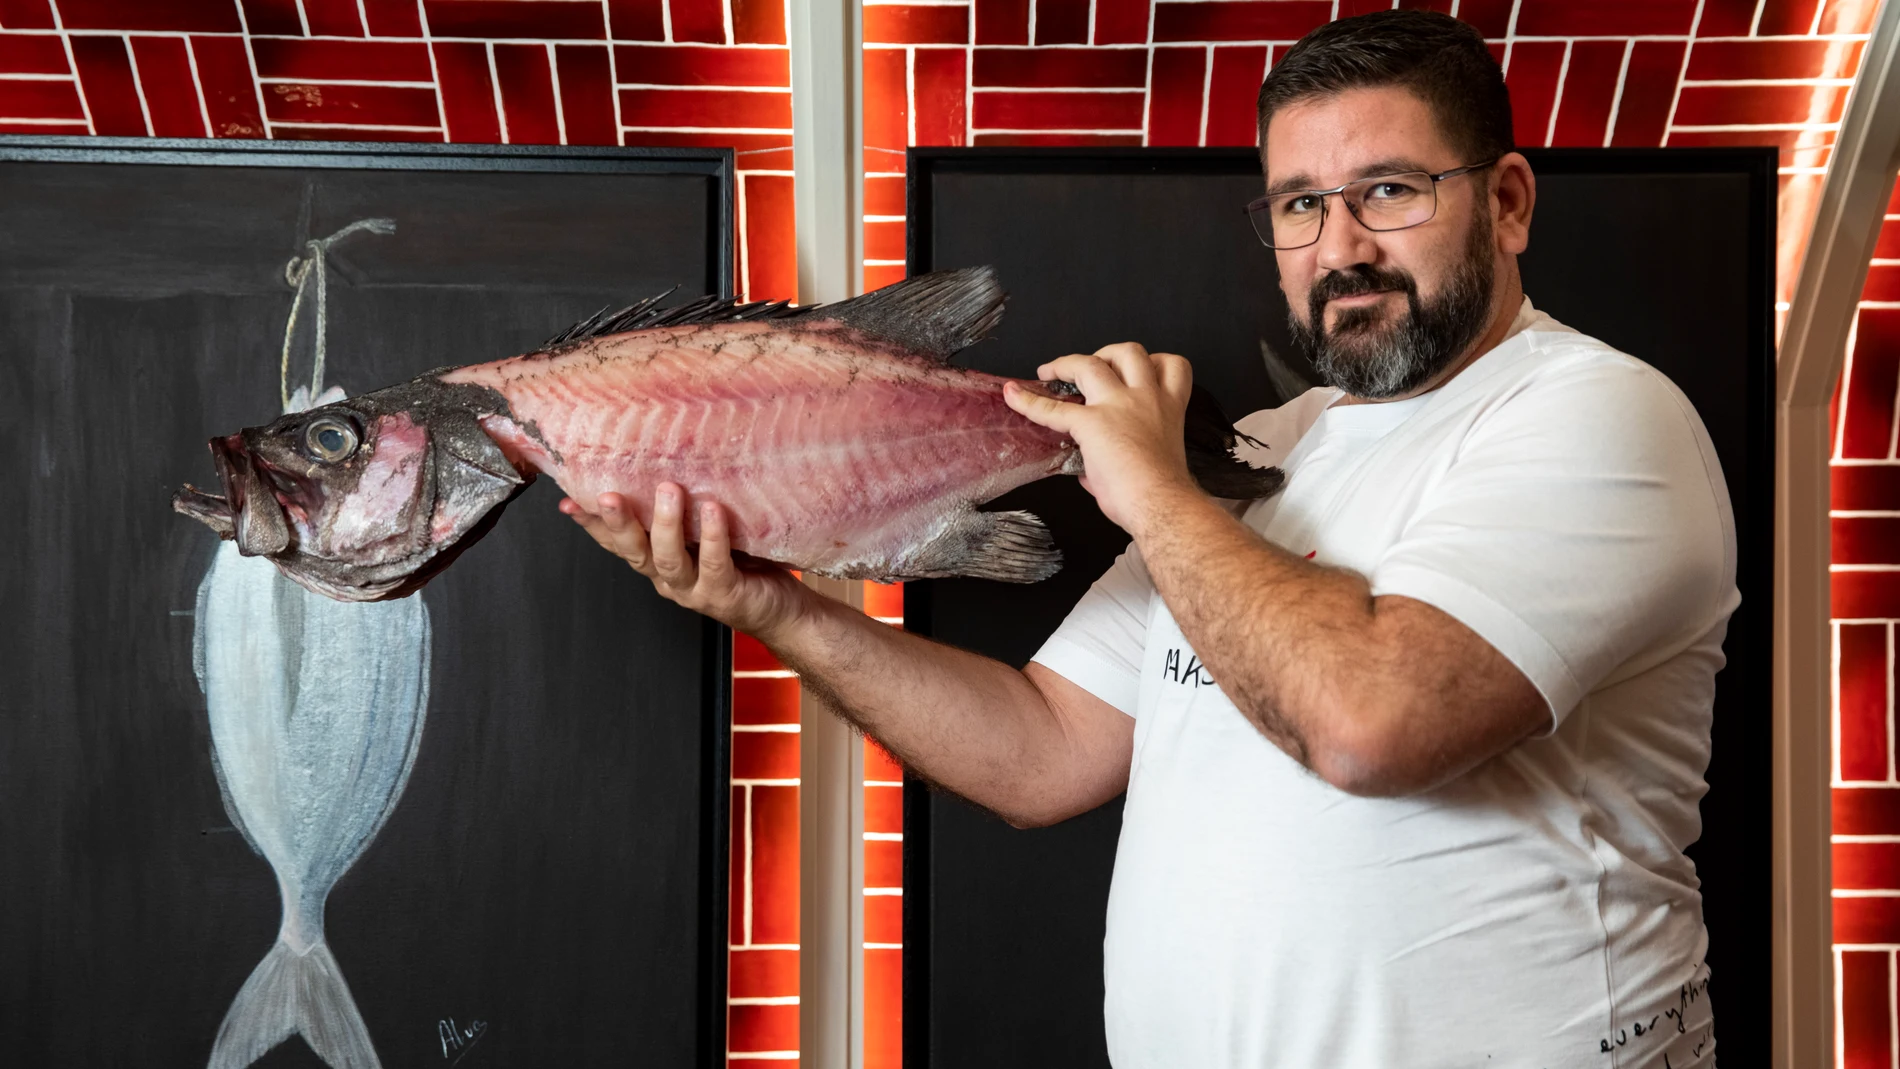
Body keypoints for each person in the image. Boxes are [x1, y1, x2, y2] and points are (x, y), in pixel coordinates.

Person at [560, 9, 1735, 1067]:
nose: (1341, 248)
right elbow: (1040, 753)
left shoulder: (1594, 412)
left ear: (1509, 201)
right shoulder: (1266, 449)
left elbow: (1372, 723)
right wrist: (775, 605)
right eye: (1299, 205)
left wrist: (1151, 489)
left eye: (1391, 190)